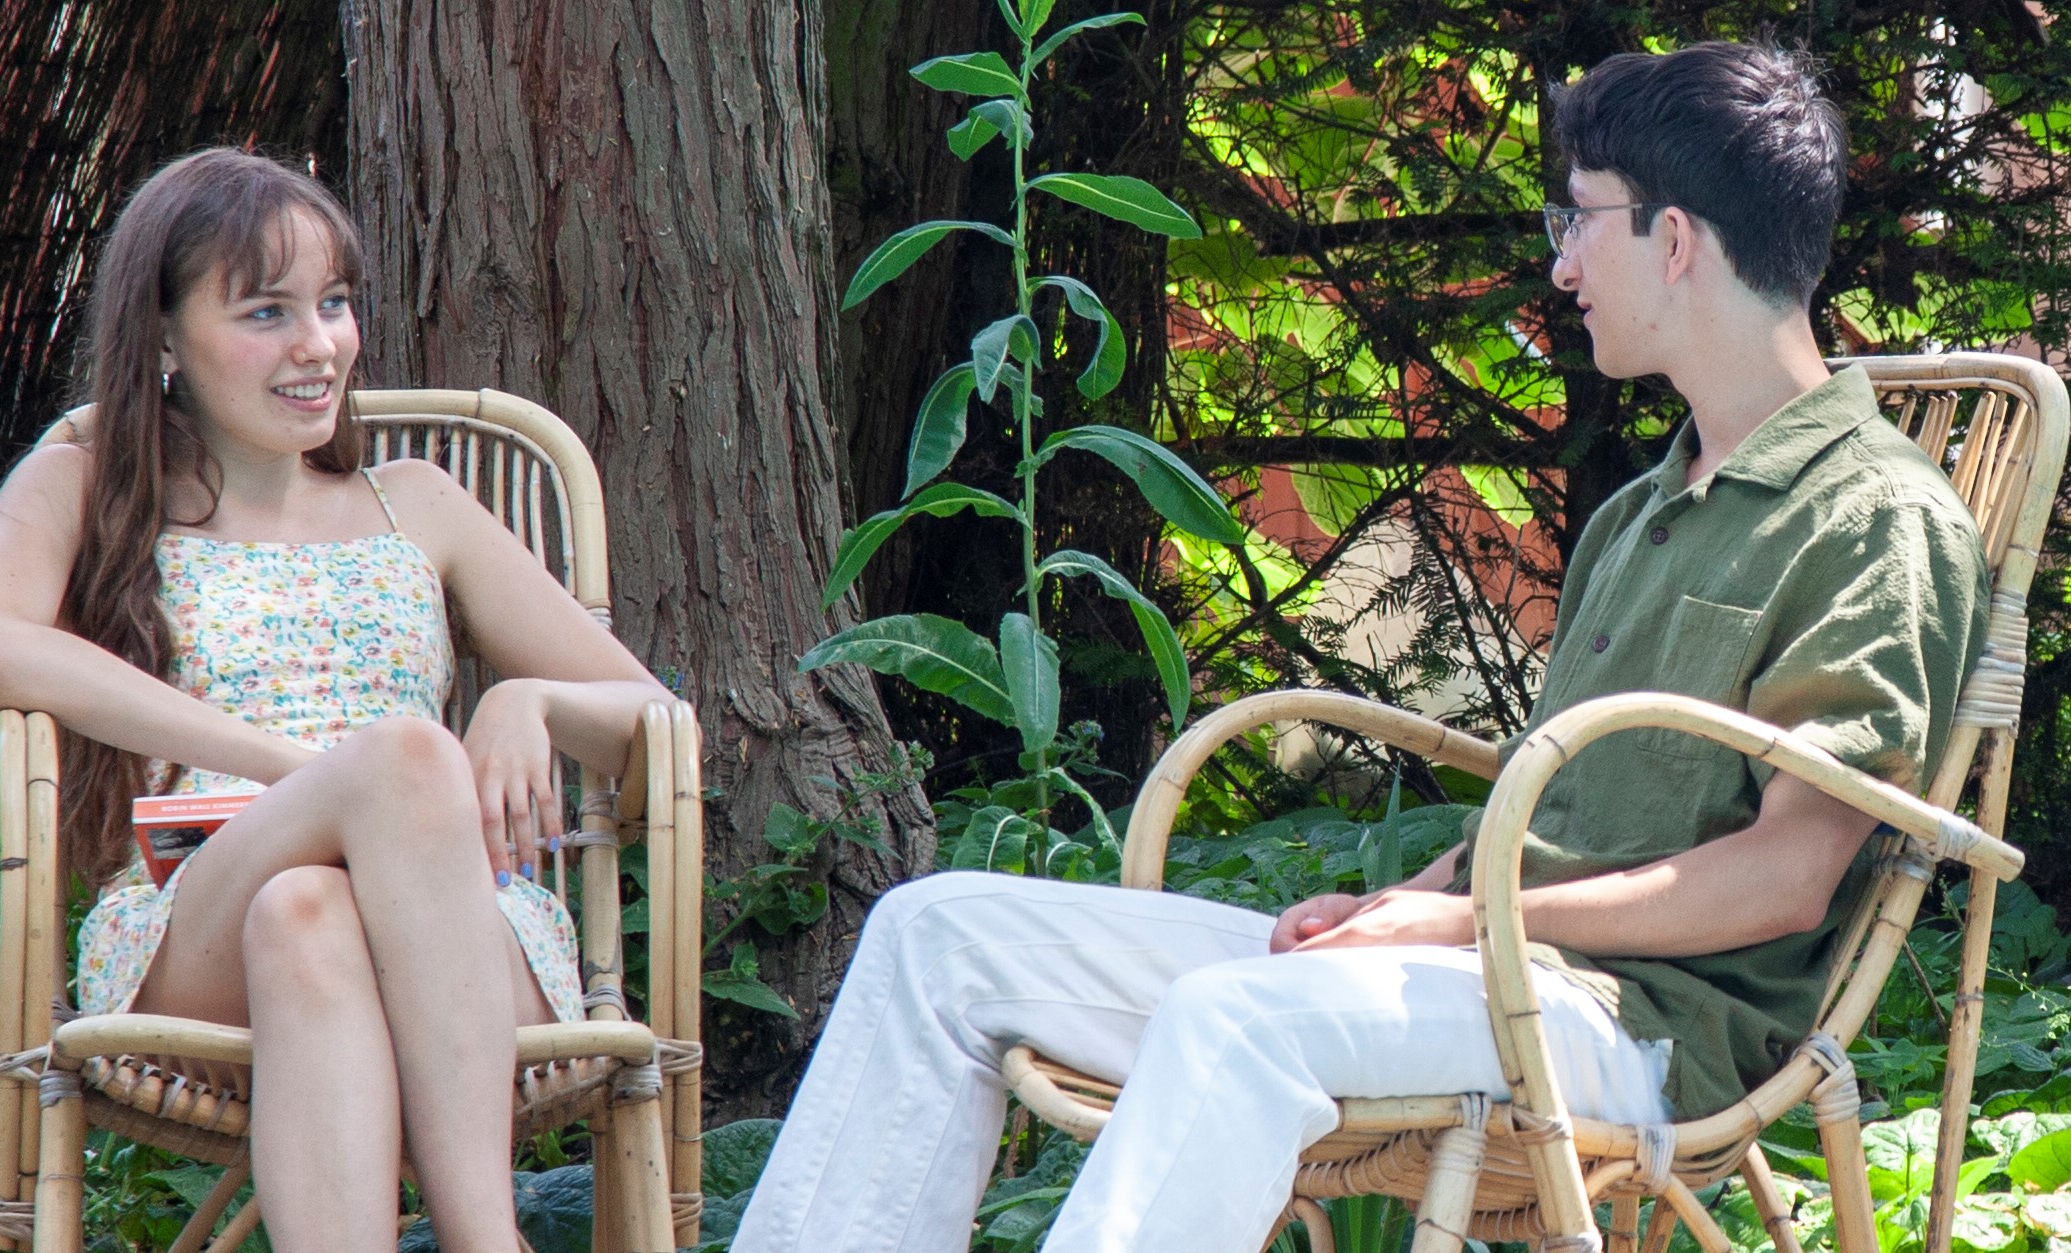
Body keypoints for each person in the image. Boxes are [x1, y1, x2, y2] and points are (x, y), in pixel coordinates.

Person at [736, 41, 1982, 1253]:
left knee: (1236, 1019)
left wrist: (1455, 927)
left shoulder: (1874, 517)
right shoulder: (1643, 508)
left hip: (1634, 1025)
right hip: (1482, 966)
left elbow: (1783, 878)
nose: (1560, 267)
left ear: (1672, 238)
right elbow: (1558, 813)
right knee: (934, 931)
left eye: (1576, 219)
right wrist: (1415, 899)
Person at [0, 147, 680, 1253]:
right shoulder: (83, 485)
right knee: (395, 766)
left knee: (311, 912)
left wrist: (525, 697)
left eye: (332, 302)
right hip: (195, 918)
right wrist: (309, 774)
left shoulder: (415, 504)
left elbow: (656, 722)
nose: (318, 344)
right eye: (266, 311)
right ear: (161, 336)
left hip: (463, 936)